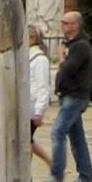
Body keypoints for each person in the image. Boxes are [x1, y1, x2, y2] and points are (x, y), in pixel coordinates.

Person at [48, 9, 92, 182]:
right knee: (77, 137)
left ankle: (57, 175)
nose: (62, 26)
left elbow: (68, 69)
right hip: (68, 95)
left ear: (75, 25)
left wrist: (61, 56)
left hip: (76, 96)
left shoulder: (81, 46)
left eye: (66, 23)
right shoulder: (71, 44)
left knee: (58, 132)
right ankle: (85, 175)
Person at [27, 24, 54, 165]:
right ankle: (51, 163)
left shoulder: (39, 60)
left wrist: (39, 111)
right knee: (26, 141)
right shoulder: (27, 57)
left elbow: (43, 87)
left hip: (32, 106)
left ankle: (51, 163)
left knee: (25, 141)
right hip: (25, 105)